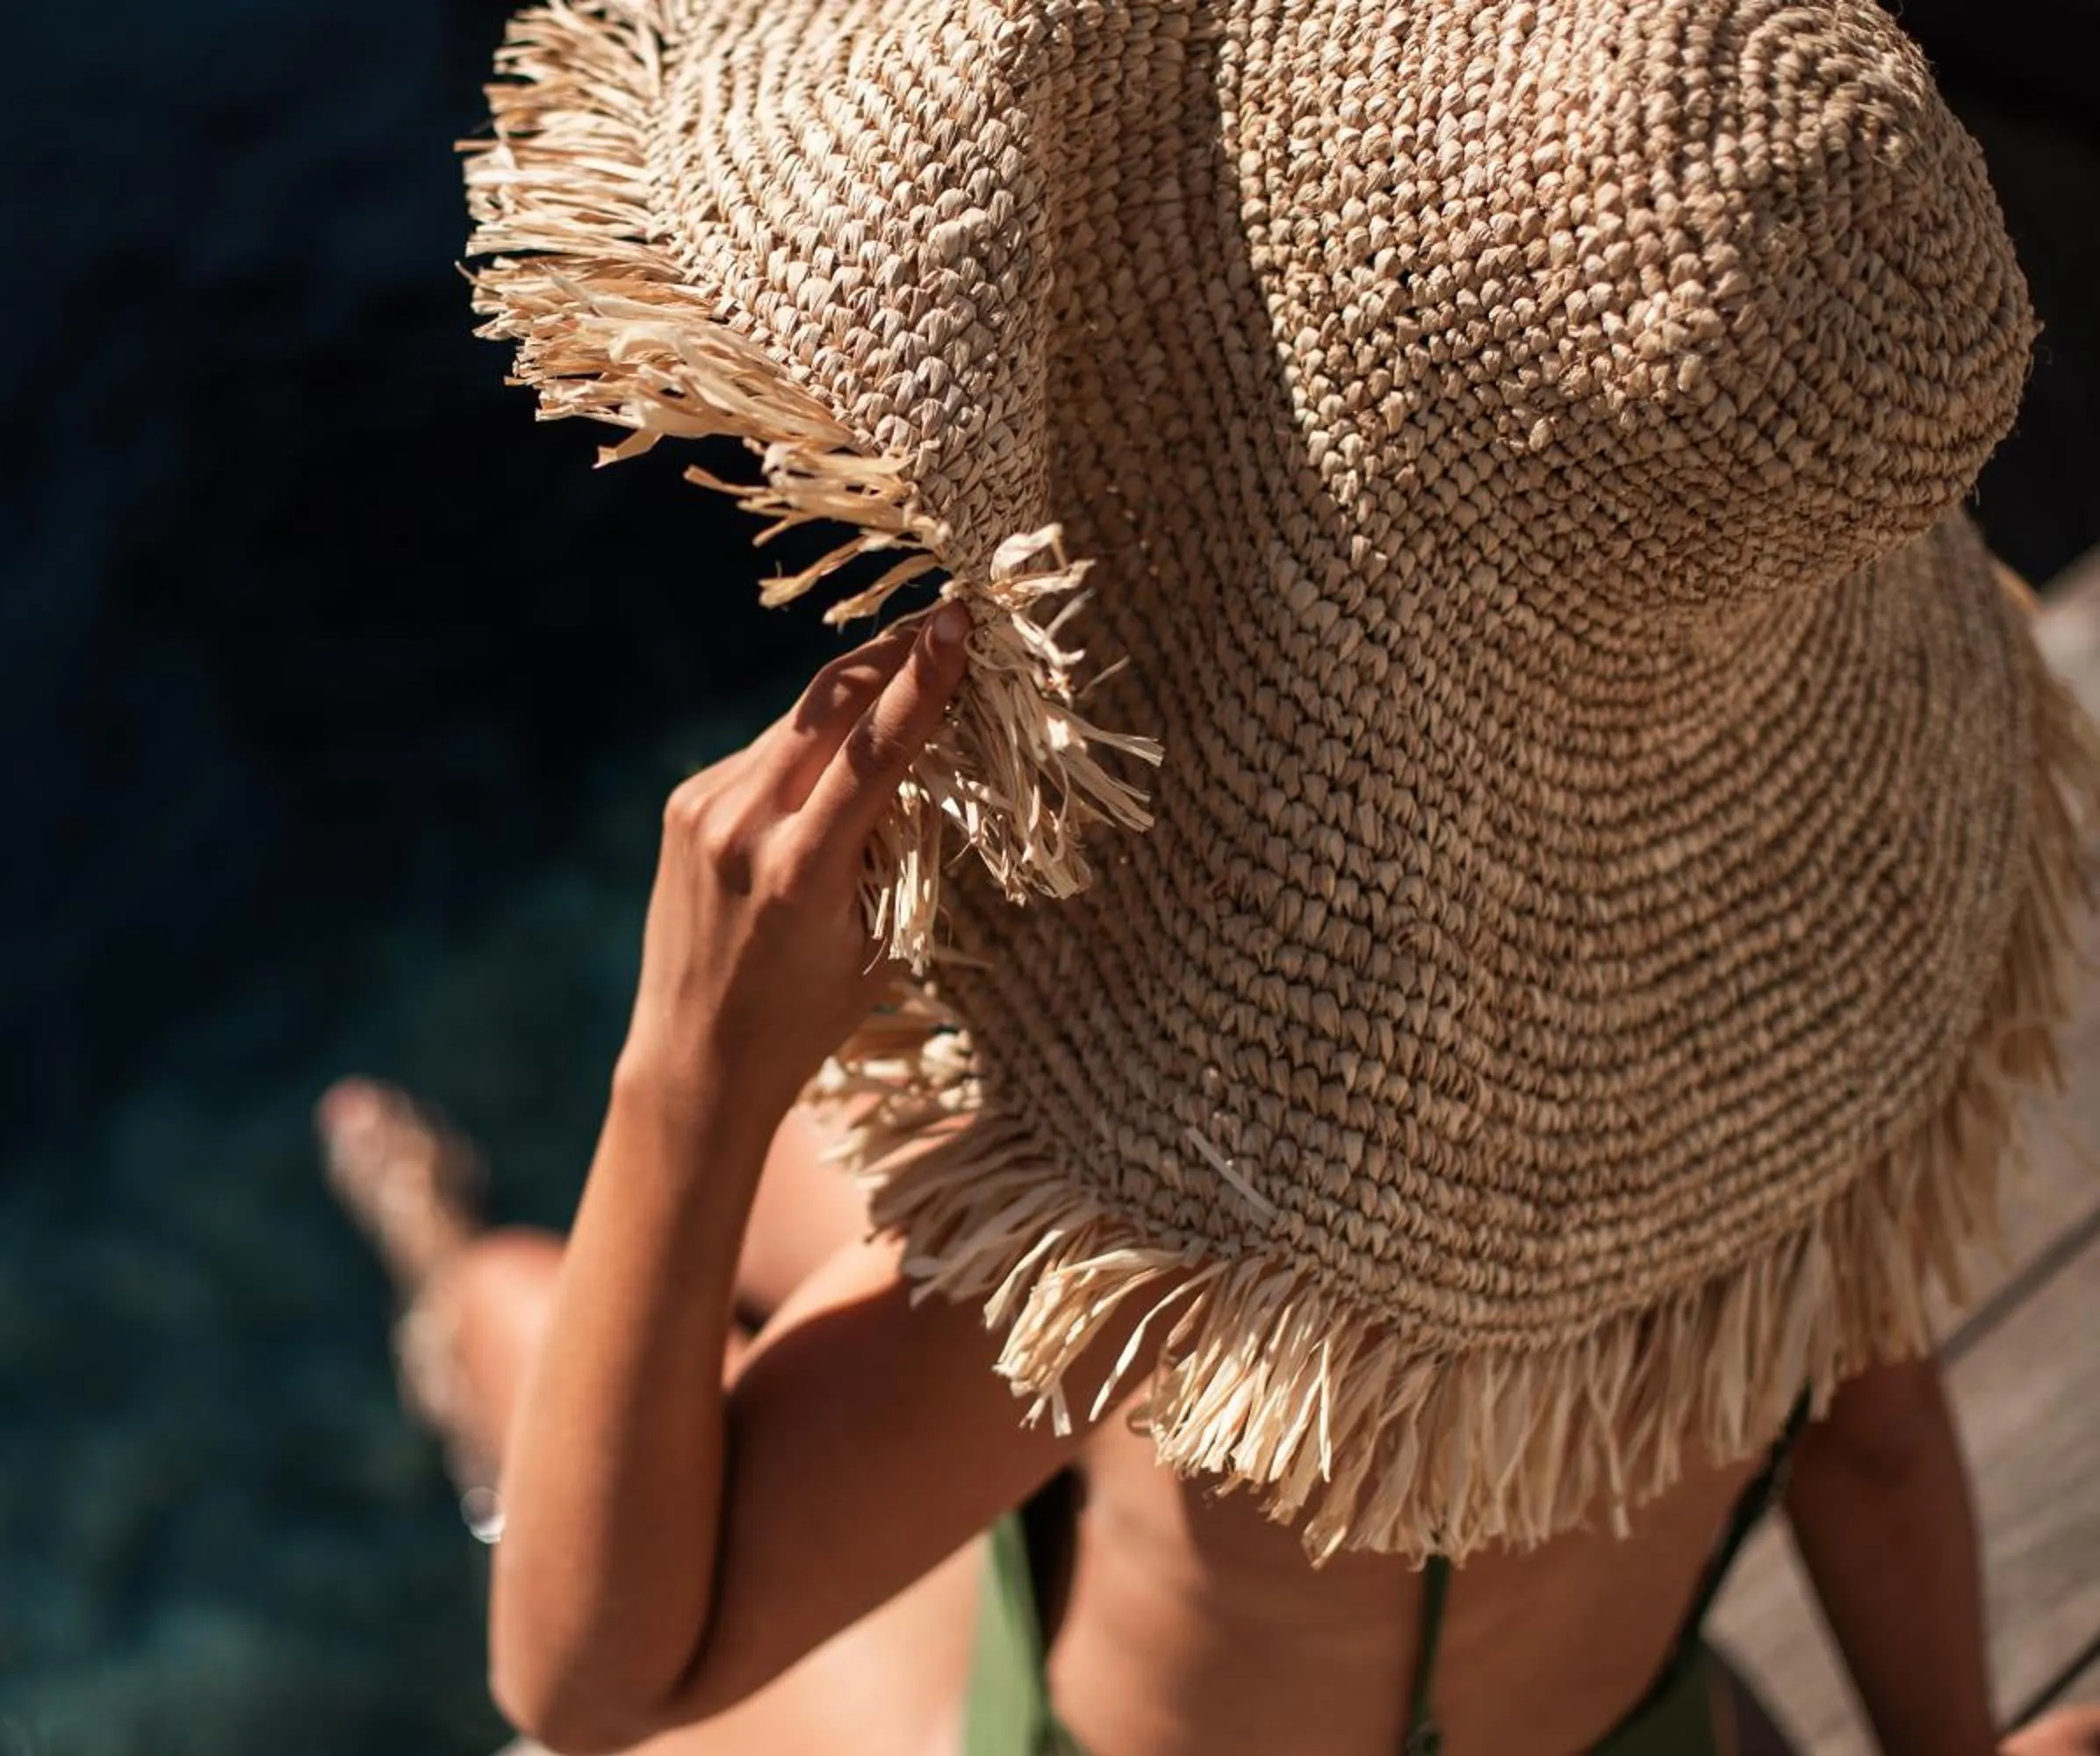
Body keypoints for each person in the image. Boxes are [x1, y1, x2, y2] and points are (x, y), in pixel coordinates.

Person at [322, 0, 2100, 1750]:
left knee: (537, 1304)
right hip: (1648, 1724)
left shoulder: (1197, 1191)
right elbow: (1872, 1442)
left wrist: (689, 1070)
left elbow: (594, 1678)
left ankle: (436, 1253)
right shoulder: (1832, 995)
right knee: (838, 1168)